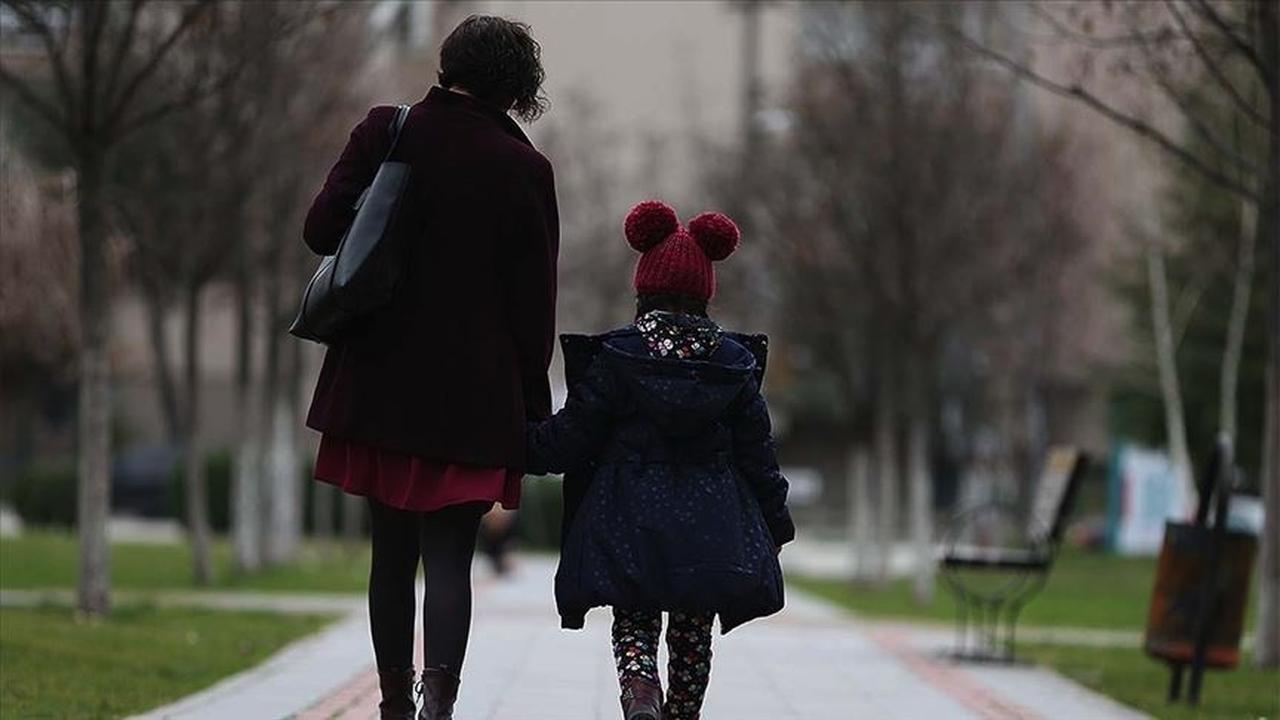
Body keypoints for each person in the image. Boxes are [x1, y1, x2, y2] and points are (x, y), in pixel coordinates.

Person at [301, 15, 557, 720]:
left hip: (380, 381)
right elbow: (534, 303)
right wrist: (532, 408)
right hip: (474, 398)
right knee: (451, 559)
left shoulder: (390, 128)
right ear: (517, 87)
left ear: (446, 66)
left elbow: (321, 232)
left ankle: (392, 707)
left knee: (392, 553)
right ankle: (439, 706)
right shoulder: (525, 169)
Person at [527, 201, 795, 720]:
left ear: (642, 289)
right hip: (710, 525)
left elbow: (570, 438)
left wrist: (514, 443)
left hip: (629, 517)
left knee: (634, 620)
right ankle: (681, 712)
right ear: (705, 297)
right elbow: (759, 458)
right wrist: (776, 524)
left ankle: (641, 692)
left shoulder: (617, 359)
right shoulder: (733, 368)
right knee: (693, 634)